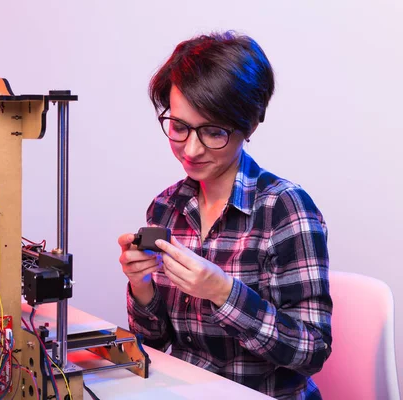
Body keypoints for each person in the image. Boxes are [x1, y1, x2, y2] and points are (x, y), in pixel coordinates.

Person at [119, 31, 332, 400]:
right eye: (179, 127)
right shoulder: (165, 206)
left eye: (214, 132)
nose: (192, 148)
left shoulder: (285, 209)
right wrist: (141, 286)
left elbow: (311, 350)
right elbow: (154, 342)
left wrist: (222, 292)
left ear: (249, 125)